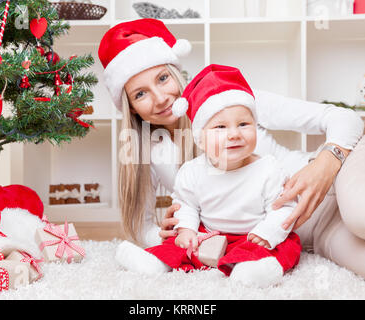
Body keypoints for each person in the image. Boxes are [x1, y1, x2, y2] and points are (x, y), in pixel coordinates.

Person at [98, 18, 365, 290]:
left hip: (346, 170)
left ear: (176, 71)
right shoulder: (148, 151)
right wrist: (164, 236)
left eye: (162, 78)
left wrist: (324, 164)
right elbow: (142, 224)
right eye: (140, 93)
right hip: (314, 233)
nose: (161, 97)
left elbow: (346, 119)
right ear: (130, 107)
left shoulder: (232, 99)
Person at [115, 64, 302, 287]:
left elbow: (284, 210)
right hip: (209, 235)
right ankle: (154, 262)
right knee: (180, 246)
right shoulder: (192, 171)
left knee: (282, 246)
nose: (234, 134)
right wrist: (186, 230)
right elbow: (187, 205)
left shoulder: (269, 169)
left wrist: (267, 233)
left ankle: (258, 269)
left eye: (243, 124)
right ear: (200, 139)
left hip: (253, 234)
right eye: (221, 127)